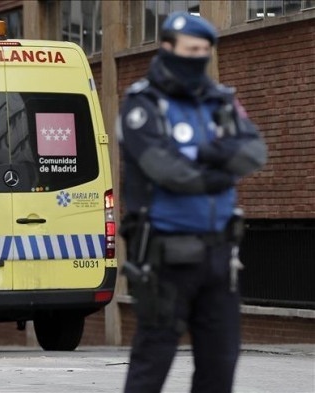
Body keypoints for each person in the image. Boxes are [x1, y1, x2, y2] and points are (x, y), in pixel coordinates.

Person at [117, 12, 267, 393]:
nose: (198, 57)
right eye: (190, 50)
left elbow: (254, 152)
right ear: (167, 48)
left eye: (204, 50)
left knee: (220, 363)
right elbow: (166, 171)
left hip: (220, 256)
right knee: (153, 361)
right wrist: (219, 168)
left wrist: (202, 153)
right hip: (166, 258)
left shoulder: (220, 101)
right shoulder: (143, 104)